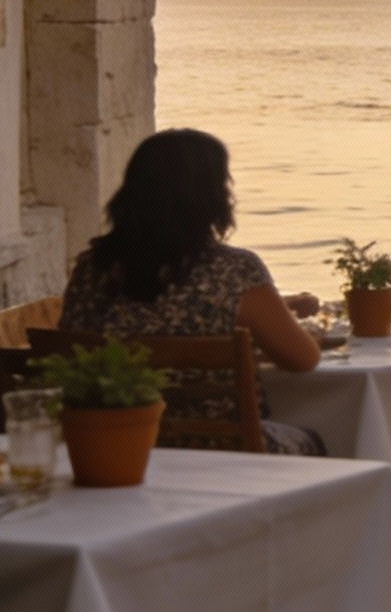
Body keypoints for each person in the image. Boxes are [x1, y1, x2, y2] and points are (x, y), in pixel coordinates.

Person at [59, 128, 327, 454]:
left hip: (117, 441)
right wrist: (308, 335)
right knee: (315, 437)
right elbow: (302, 359)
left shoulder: (92, 268)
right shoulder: (235, 271)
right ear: (213, 198)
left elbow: (74, 351)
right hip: (223, 445)